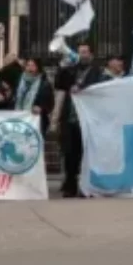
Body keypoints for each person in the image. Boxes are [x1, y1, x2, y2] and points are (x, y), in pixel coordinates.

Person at [54, 42, 105, 198]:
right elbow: (59, 84)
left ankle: (85, 186)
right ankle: (70, 185)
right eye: (80, 52)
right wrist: (62, 67)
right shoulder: (71, 70)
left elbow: (100, 90)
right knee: (70, 154)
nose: (82, 55)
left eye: (85, 52)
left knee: (85, 154)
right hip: (71, 118)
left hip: (88, 120)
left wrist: (83, 89)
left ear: (91, 55)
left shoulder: (98, 72)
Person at [13, 57, 55, 135]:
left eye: (33, 65)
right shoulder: (18, 80)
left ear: (38, 68)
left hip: (37, 120)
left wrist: (41, 107)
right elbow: (13, 97)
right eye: (28, 65)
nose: (30, 68)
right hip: (19, 118)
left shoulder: (44, 83)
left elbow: (50, 103)